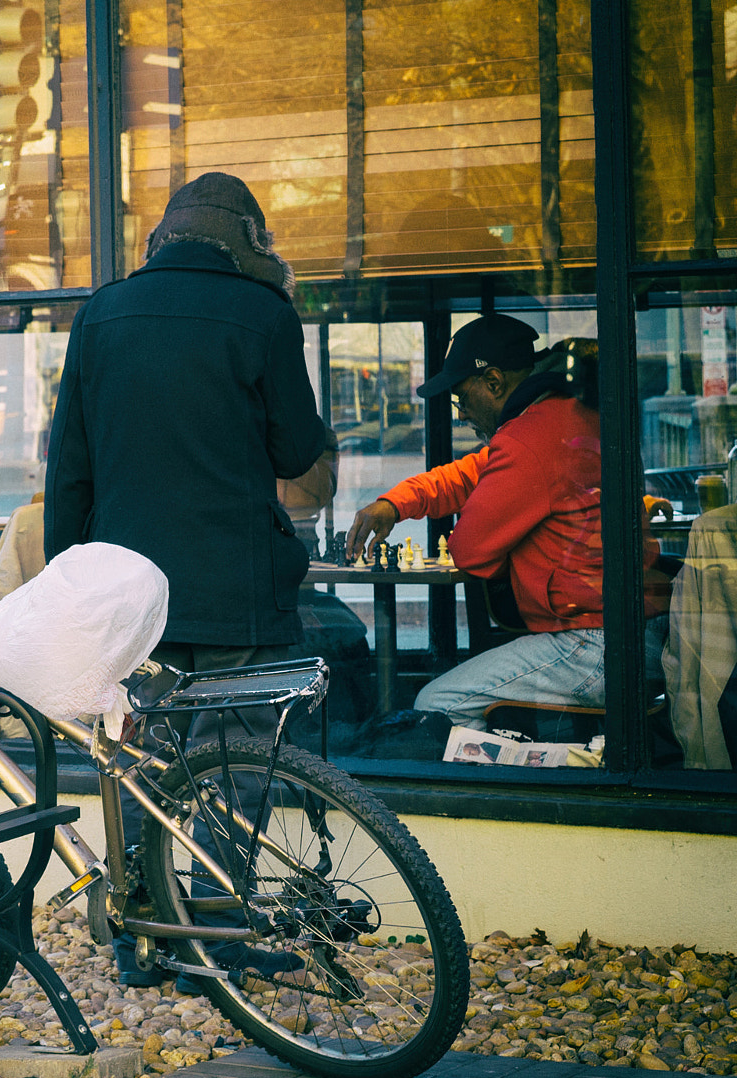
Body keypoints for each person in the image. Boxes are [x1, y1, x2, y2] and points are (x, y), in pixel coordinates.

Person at [44, 171, 327, 990]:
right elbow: (296, 453)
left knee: (141, 763)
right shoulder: (263, 315)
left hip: (132, 599)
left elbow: (72, 469)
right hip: (234, 589)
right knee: (235, 768)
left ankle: (145, 938)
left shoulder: (101, 314)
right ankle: (218, 944)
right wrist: (280, 303)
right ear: (247, 240)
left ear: (163, 236)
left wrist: (74, 585)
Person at [346, 317, 666, 727]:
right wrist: (394, 503)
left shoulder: (528, 439)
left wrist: (500, 529)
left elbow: (468, 552)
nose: (461, 414)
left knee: (437, 703)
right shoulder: (563, 417)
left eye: (462, 397)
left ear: (494, 382)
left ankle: (501, 784)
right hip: (638, 634)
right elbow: (467, 474)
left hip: (594, 643)